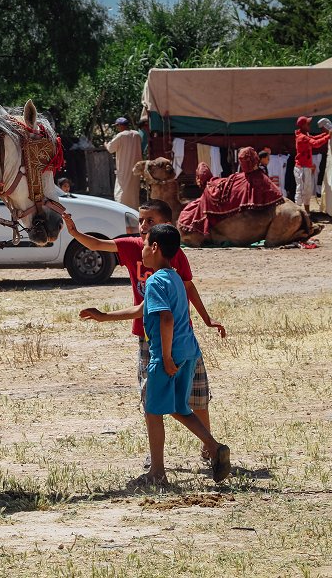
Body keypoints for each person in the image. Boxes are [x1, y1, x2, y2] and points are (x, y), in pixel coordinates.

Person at [66, 199, 225, 465]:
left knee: (171, 400)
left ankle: (196, 453)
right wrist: (74, 232)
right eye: (140, 220)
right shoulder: (140, 251)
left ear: (165, 229)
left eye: (150, 221)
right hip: (167, 339)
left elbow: (170, 311)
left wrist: (204, 321)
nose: (142, 226)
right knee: (167, 402)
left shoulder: (166, 267)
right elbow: (98, 246)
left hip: (169, 342)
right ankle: (172, 454)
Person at [294, 116, 331, 214]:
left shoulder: (304, 135)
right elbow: (316, 143)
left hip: (304, 167)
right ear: (303, 126)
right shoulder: (302, 137)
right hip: (302, 168)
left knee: (306, 191)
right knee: (301, 191)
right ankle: (297, 213)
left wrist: (325, 134)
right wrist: (328, 136)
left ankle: (306, 213)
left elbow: (314, 138)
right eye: (307, 124)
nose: (309, 125)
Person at [105, 117, 144, 209]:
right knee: (133, 191)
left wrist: (106, 144)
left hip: (124, 168)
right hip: (136, 169)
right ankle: (134, 211)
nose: (117, 128)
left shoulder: (121, 136)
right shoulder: (137, 134)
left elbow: (110, 149)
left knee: (122, 191)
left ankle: (122, 210)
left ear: (120, 125)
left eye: (117, 126)